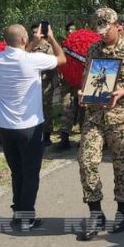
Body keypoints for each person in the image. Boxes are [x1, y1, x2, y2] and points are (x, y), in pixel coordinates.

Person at [77, 8, 124, 241]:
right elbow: (88, 78)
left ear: (117, 25)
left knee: (121, 165)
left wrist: (123, 91)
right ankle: (95, 212)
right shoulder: (93, 49)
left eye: (106, 28)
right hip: (94, 116)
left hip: (121, 116)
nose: (102, 33)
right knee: (86, 161)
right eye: (99, 28)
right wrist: (83, 93)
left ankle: (122, 211)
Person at [0, 23, 66, 230]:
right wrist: (50, 38)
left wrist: (33, 39)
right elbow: (62, 59)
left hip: (5, 126)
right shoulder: (33, 60)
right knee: (31, 172)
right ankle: (27, 217)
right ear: (24, 40)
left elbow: (21, 49)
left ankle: (17, 213)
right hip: (29, 127)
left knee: (17, 171)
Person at [29, 23, 59, 147]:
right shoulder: (29, 46)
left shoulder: (48, 47)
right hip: (31, 83)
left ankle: (46, 135)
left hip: (45, 82)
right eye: (33, 32)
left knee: (46, 109)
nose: (35, 34)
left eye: (38, 32)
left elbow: (53, 64)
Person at [55, 21, 81, 151]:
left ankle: (84, 138)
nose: (71, 32)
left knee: (83, 110)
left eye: (73, 29)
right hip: (67, 83)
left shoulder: (82, 44)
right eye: (69, 30)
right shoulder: (63, 45)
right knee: (66, 108)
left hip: (81, 82)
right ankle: (64, 138)